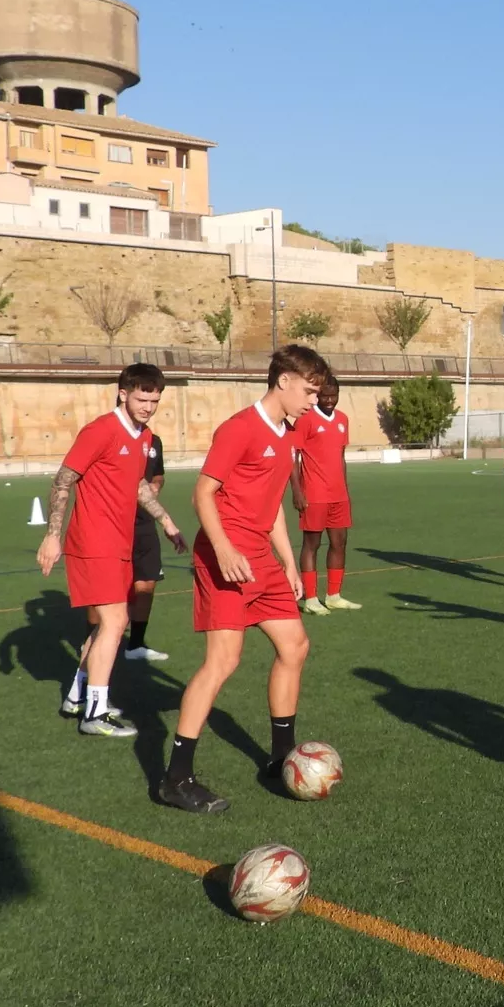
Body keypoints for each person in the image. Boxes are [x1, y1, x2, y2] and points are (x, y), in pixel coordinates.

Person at [155, 345, 326, 814]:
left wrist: (289, 564)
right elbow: (201, 495)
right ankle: (176, 778)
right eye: (309, 391)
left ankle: (278, 758)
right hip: (224, 558)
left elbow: (270, 510)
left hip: (261, 559)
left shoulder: (289, 435)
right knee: (222, 663)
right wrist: (225, 550)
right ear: (284, 381)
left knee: (295, 647)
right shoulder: (239, 428)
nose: (314, 401)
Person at [37, 363, 186, 737]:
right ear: (123, 393)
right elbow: (63, 480)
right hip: (93, 541)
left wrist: (166, 521)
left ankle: (76, 696)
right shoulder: (101, 430)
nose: (148, 406)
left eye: (154, 400)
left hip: (121, 543)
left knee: (105, 625)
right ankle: (95, 713)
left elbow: (136, 484)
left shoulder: (144, 436)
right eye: (141, 398)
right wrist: (53, 534)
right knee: (117, 623)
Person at [294, 372, 360, 616]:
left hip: (338, 495)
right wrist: (297, 490)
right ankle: (311, 599)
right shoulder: (306, 419)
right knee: (312, 544)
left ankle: (333, 596)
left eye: (334, 395)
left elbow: (341, 457)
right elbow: (294, 456)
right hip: (314, 494)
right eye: (325, 395)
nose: (330, 400)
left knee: (339, 543)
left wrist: (345, 488)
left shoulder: (342, 419)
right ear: (317, 394)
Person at [122, 422, 172, 663]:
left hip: (145, 522)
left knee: (147, 583)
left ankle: (135, 644)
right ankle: (89, 641)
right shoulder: (113, 436)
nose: (148, 407)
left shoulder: (154, 440)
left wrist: (156, 485)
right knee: (108, 590)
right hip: (116, 523)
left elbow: (159, 472)